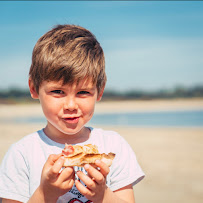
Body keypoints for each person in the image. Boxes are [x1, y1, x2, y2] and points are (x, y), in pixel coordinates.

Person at [0, 24, 144, 203]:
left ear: (99, 91)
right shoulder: (22, 154)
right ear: (34, 88)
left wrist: (103, 195)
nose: (70, 105)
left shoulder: (113, 145)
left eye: (83, 92)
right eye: (58, 92)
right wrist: (46, 193)